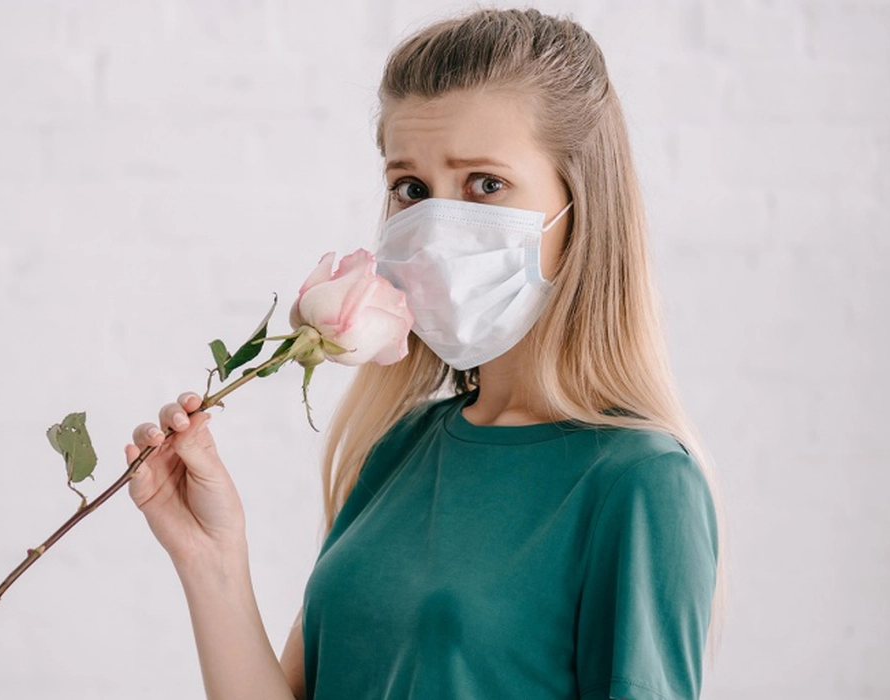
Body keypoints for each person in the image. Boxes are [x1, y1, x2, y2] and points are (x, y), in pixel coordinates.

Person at [125, 7, 726, 699]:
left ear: (581, 205)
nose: (437, 226)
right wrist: (209, 558)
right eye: (411, 189)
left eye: (485, 184)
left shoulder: (641, 482)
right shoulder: (400, 447)